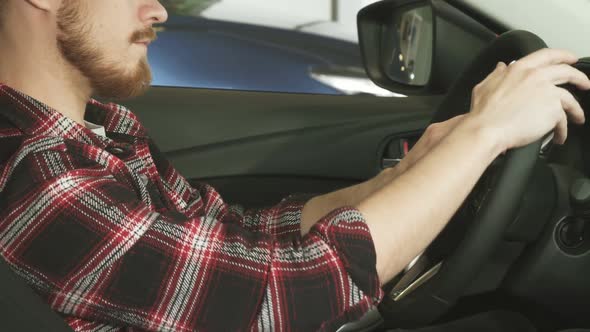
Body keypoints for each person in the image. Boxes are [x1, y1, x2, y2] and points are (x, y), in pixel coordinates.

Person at [0, 0, 588, 331]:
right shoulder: (42, 179)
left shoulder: (102, 132)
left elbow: (234, 233)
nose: (157, 10)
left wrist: (423, 164)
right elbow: (284, 293)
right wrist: (485, 135)